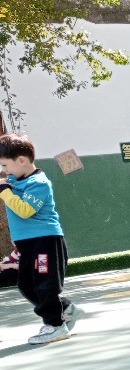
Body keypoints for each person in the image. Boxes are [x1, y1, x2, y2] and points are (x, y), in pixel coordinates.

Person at [0, 134, 75, 345]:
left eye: (5, 165)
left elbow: (25, 210)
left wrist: (5, 193)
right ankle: (65, 308)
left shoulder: (39, 183)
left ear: (21, 160)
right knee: (26, 285)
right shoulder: (14, 180)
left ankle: (56, 326)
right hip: (27, 243)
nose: (4, 170)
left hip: (45, 241)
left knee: (45, 284)